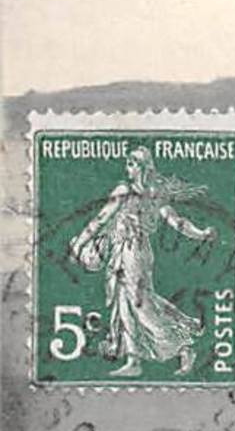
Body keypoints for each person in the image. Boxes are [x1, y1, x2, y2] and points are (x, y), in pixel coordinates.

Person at [67, 147, 217, 378]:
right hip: (132, 252)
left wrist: (79, 245)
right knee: (130, 302)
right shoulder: (153, 193)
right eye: (128, 162)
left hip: (131, 253)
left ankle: (182, 348)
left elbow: (100, 220)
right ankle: (135, 359)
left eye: (133, 162)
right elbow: (177, 222)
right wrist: (201, 234)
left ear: (144, 167)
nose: (128, 166)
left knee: (139, 305)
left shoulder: (126, 191)